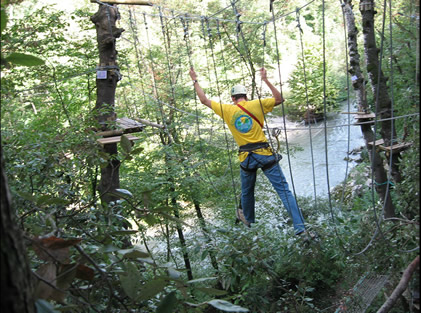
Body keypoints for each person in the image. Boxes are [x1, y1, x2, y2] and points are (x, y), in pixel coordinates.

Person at [189, 67, 307, 236]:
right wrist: (265, 79)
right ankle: (300, 227)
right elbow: (279, 99)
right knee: (284, 191)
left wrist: (195, 79)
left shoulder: (227, 110)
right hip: (265, 155)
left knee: (247, 192)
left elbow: (204, 100)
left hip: (247, 159)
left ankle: (249, 221)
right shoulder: (256, 104)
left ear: (232, 98)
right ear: (246, 96)